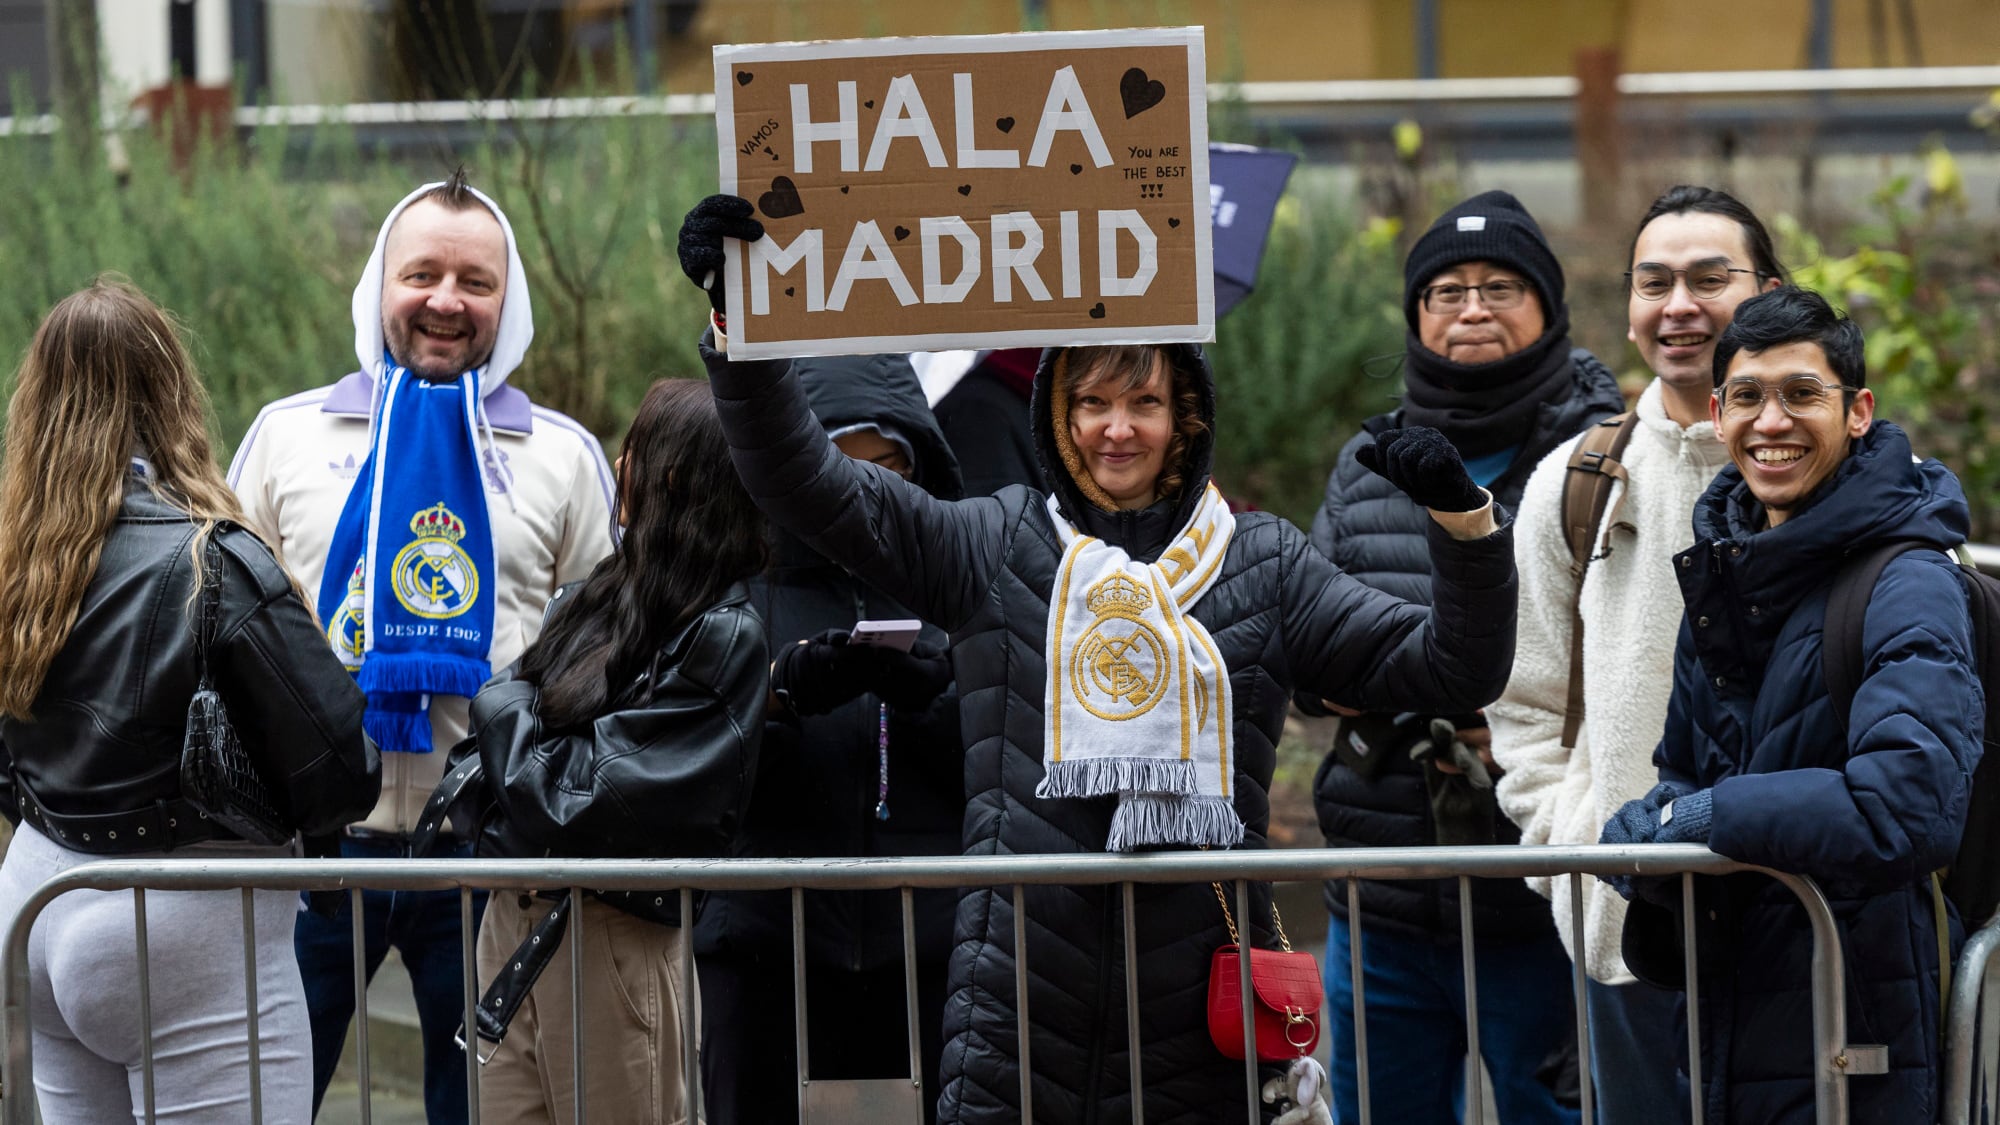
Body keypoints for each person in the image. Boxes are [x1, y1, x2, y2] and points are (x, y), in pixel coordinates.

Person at [678, 194, 1520, 1124]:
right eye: (1092, 402)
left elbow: (1453, 669)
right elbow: (813, 486)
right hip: (1016, 1007)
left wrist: (1466, 525)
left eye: (1145, 402)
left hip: (1203, 1013)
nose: (1117, 429)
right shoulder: (996, 544)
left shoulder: (1262, 562)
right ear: (1057, 414)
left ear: (1186, 416)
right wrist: (739, 328)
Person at [227, 170, 616, 1123]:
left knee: (475, 1112)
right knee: (259, 1105)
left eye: (474, 282)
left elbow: (606, 653)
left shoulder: (562, 456)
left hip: (482, 866)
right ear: (379, 287)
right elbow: (226, 634)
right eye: (423, 274)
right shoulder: (286, 437)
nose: (446, 301)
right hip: (313, 862)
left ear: (505, 302)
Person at [0, 277, 381, 1123]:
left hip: (36, 896)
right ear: (171, 391)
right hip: (184, 929)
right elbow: (344, 768)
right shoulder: (217, 559)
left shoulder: (17, 556)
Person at [1600, 285, 1981, 1124]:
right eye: (1747, 396)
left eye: (1802, 393)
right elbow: (1685, 773)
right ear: (1718, 414)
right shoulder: (1722, 575)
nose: (1771, 421)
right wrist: (1649, 830)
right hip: (1732, 1014)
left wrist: (1707, 816)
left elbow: (1909, 803)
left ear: (1857, 411)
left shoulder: (1909, 579)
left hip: (1862, 1021)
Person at [1301, 189, 1622, 1125]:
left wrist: (1503, 709)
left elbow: (1631, 647)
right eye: (1444, 290)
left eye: (1497, 286)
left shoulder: (1602, 456)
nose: (1470, 308)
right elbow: (1314, 638)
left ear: (1548, 308)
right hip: (1382, 897)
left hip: (1542, 895)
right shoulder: (1372, 460)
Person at [1487, 185, 1786, 1121]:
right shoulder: (1575, 481)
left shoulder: (1826, 473)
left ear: (1770, 291)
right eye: (1654, 282)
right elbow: (1522, 705)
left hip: (1804, 934)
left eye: (1710, 278)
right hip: (1625, 937)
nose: (1679, 305)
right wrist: (1571, 851)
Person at [422, 376, 767, 1124]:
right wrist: (519, 753)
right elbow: (484, 780)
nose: (619, 464)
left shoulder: (719, 634)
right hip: (515, 921)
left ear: (672, 475)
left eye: (634, 449)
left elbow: (574, 801)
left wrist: (499, 702)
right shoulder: (600, 594)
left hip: (610, 938)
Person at [696, 353, 964, 1125]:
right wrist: (780, 698)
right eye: (839, 466)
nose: (864, 491)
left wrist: (935, 697)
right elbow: (690, 764)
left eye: (888, 467)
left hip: (931, 954)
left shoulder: (961, 584)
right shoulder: (730, 589)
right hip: (764, 955)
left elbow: (1007, 760)